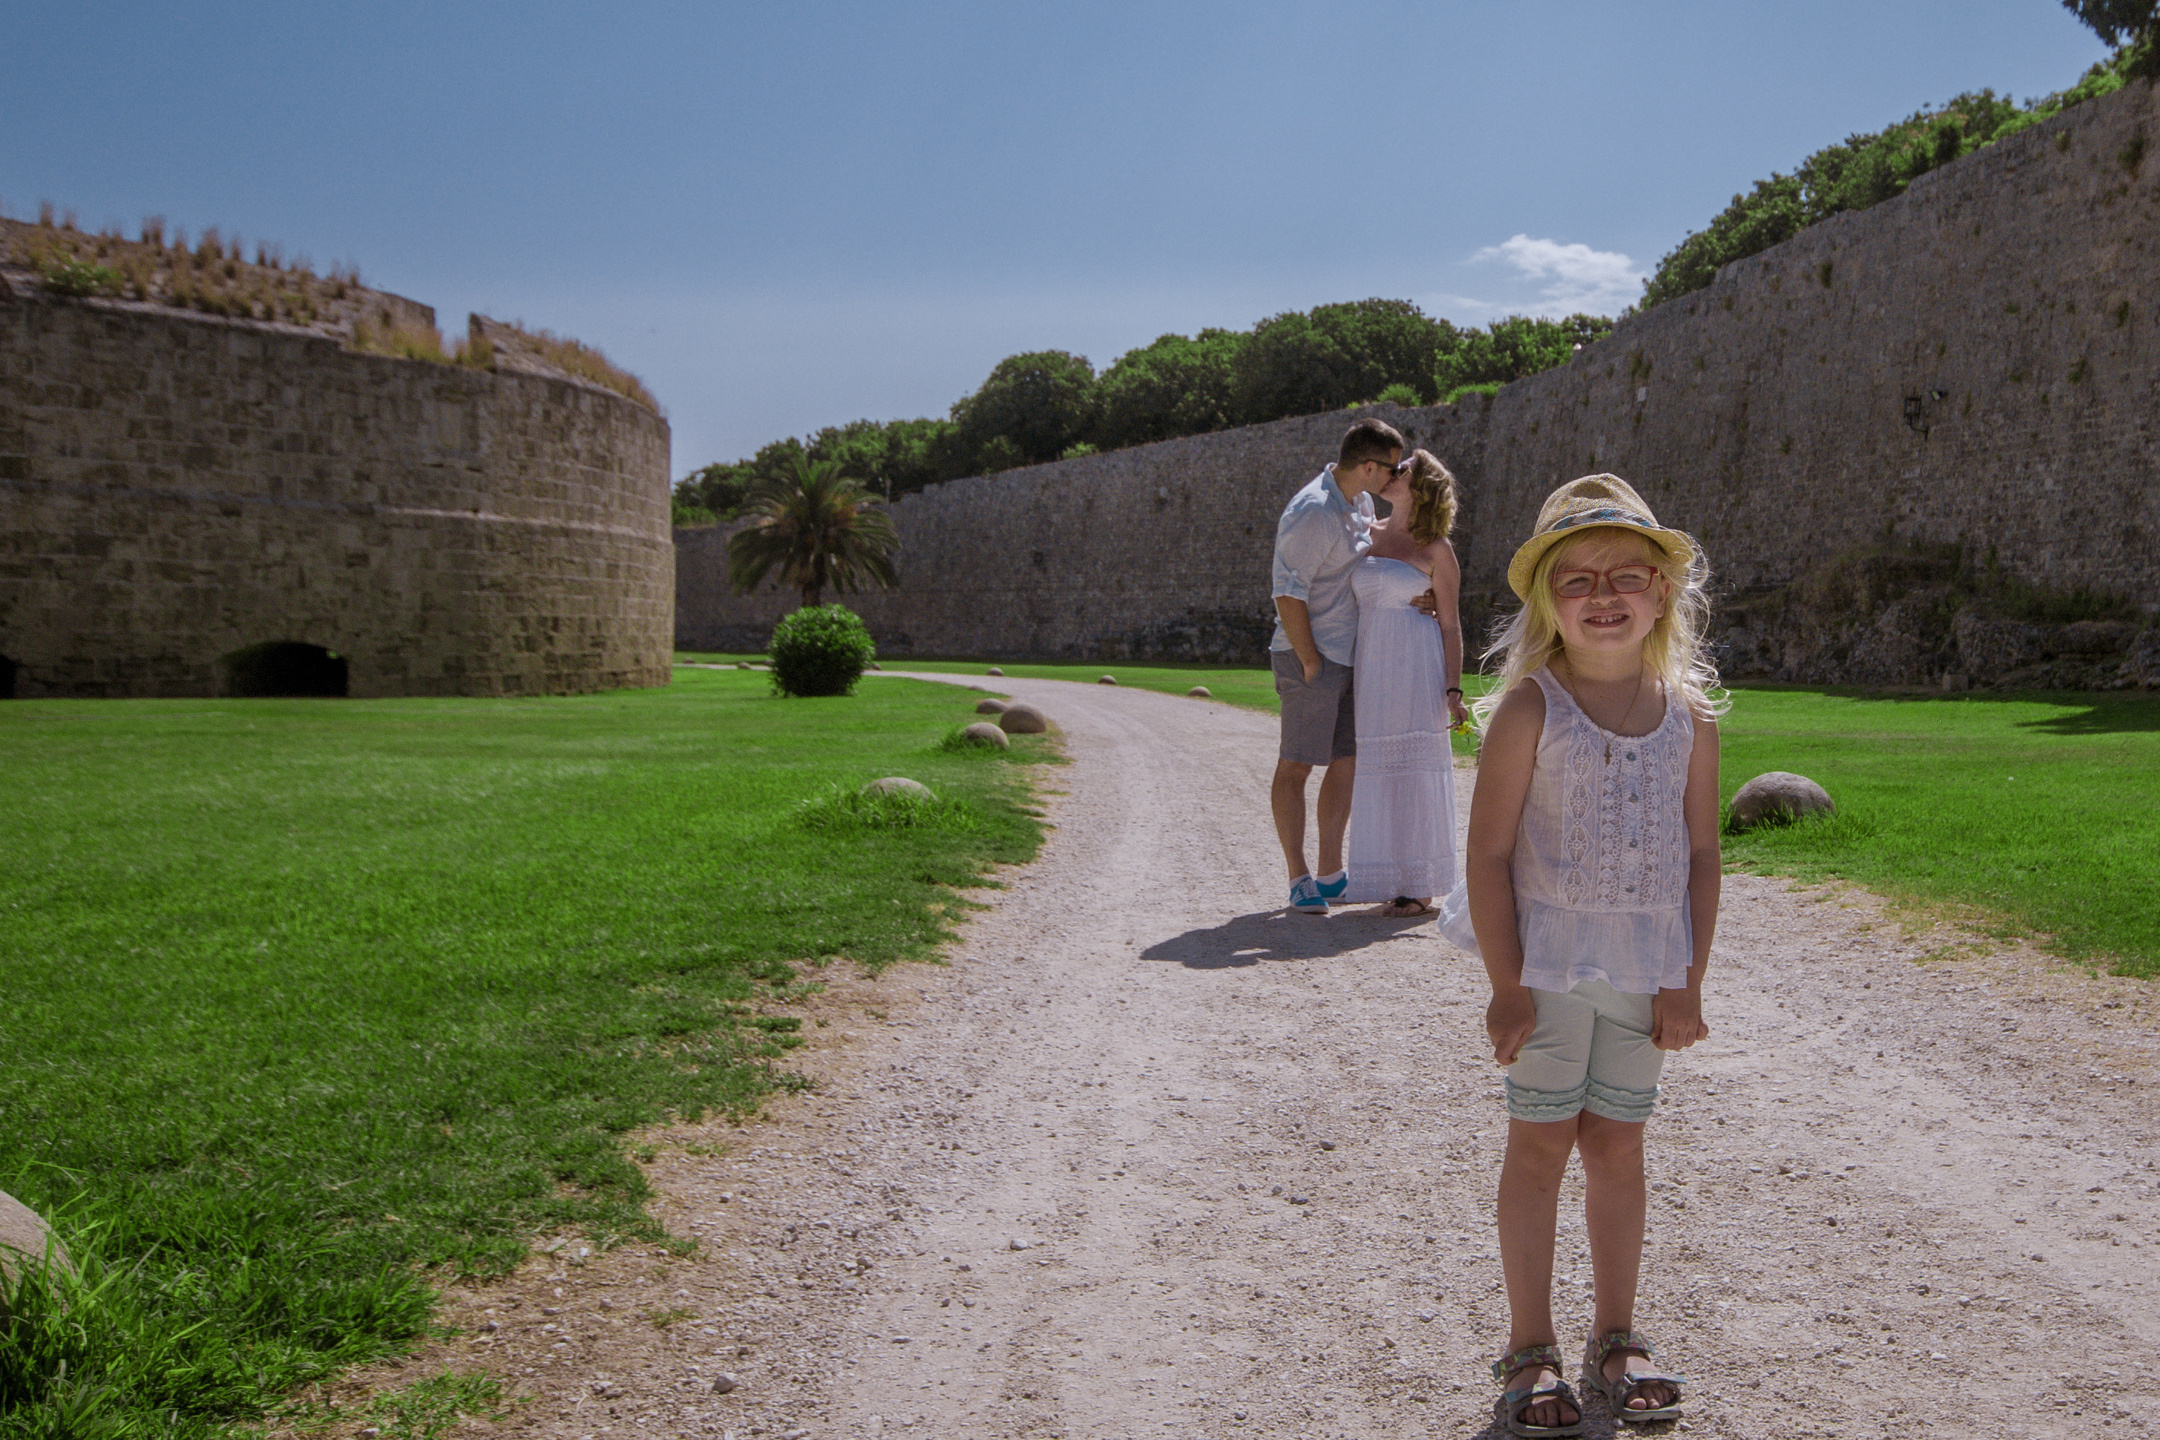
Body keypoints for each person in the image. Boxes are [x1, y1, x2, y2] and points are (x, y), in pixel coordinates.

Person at [1445, 474, 1721, 1435]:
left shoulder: (1691, 718)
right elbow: (1486, 856)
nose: (1604, 595)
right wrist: (1506, 985)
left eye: (1626, 575)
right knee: (1539, 1146)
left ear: (1663, 592)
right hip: (1549, 972)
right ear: (1546, 601)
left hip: (1645, 975)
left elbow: (1700, 855)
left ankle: (1618, 1334)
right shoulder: (1531, 710)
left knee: (1617, 1145)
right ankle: (1530, 1346)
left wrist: (1686, 981)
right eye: (1577, 579)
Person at [1269, 417, 1402, 915]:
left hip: (1350, 657)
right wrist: (1309, 660)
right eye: (1392, 468)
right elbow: (1287, 593)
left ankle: (1329, 874)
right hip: (1310, 656)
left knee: (1347, 762)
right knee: (1297, 764)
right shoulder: (1313, 511)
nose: (1396, 476)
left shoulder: (1361, 503)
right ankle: (1297, 877)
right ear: (1368, 467)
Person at [1343, 449, 1471, 916]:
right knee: (1377, 766)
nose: (1390, 474)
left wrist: (1453, 691)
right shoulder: (1365, 532)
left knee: (1415, 771)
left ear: (1423, 488)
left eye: (1402, 471)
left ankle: (1418, 885)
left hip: (1418, 664)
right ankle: (1384, 875)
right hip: (1371, 665)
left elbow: (1451, 625)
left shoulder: (1436, 549)